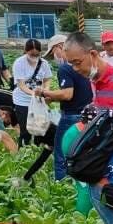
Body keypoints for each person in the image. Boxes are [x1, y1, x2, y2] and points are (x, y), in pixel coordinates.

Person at [36, 32, 92, 180]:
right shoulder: (85, 64)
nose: (55, 56)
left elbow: (67, 94)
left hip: (71, 116)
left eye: (54, 51)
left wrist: (44, 93)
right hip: (88, 115)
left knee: (61, 151)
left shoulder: (65, 68)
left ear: (60, 47)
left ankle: (60, 184)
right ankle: (80, 181)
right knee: (80, 149)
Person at [62, 32, 113, 113]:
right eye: (71, 64)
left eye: (77, 62)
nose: (75, 69)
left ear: (93, 54)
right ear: (103, 45)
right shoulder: (94, 80)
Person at [11, 38, 53, 146]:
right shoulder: (19, 63)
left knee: (40, 127)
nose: (34, 57)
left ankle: (38, 148)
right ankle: (23, 149)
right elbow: (21, 85)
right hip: (22, 101)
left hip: (39, 100)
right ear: (26, 51)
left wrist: (46, 90)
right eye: (31, 54)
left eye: (36, 54)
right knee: (26, 129)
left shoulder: (43, 63)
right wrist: (34, 93)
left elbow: (47, 79)